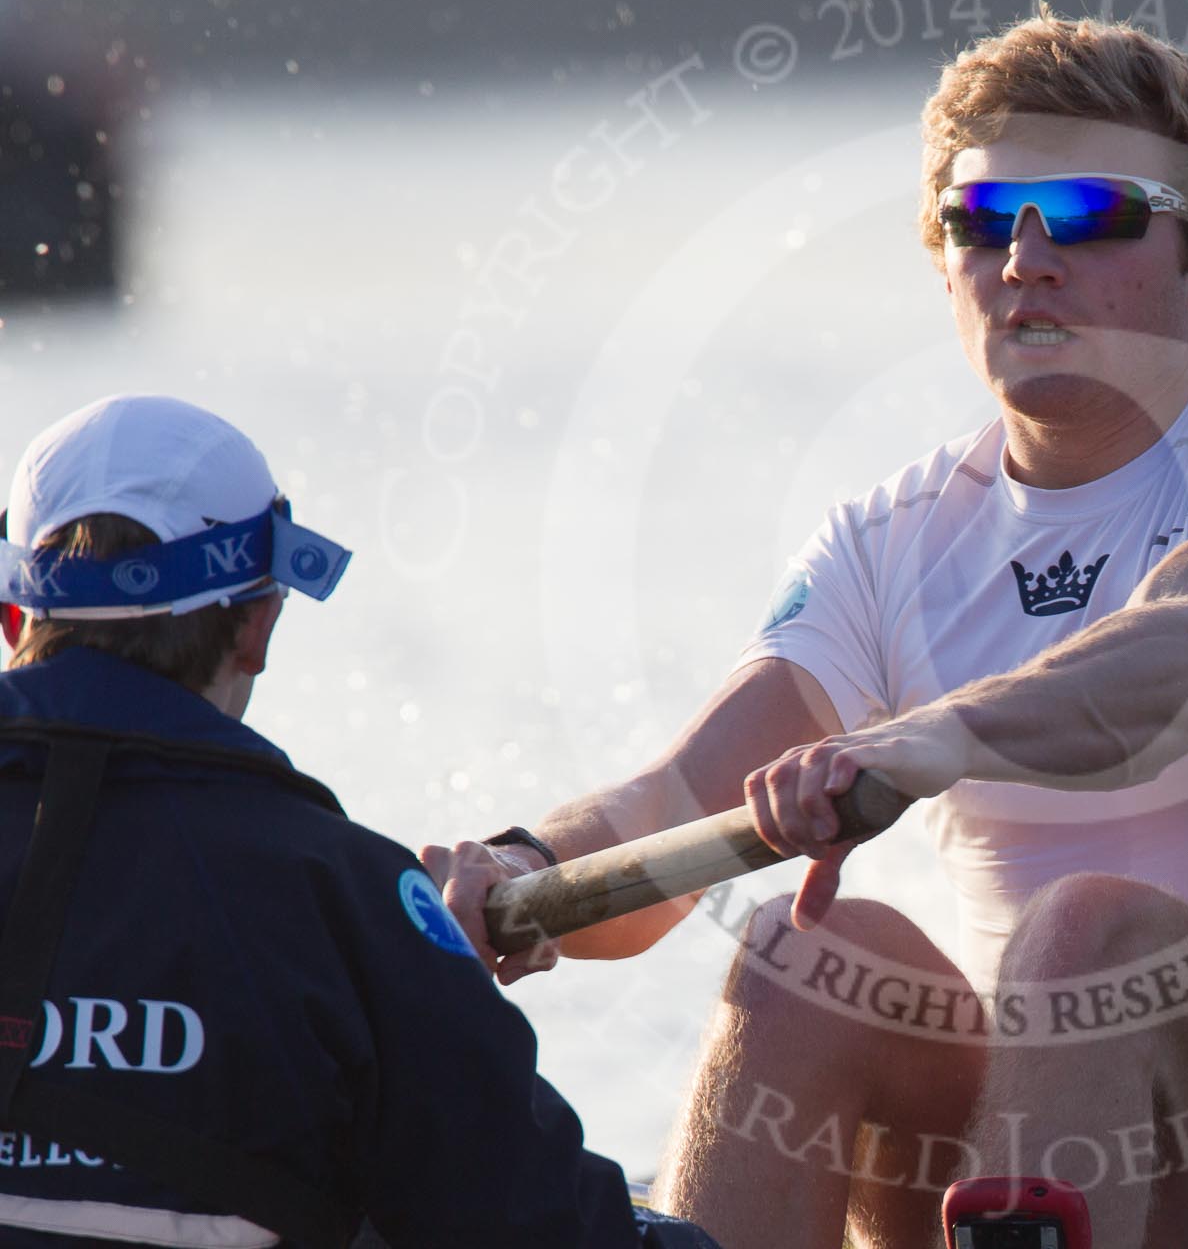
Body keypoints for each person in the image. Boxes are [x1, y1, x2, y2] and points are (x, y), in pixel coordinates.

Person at [434, 13, 1188, 1248]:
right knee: (802, 950)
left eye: (1085, 211)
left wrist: (935, 736)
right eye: (985, 218)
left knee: (1093, 929)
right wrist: (504, 870)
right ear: (948, 264)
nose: (1027, 258)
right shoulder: (889, 539)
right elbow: (666, 808)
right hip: (1039, 1152)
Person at [0, 395, 719, 1247]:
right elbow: (546, 1224)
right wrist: (417, 996)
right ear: (258, 625)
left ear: (15, 621)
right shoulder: (344, 900)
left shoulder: (349, 904)